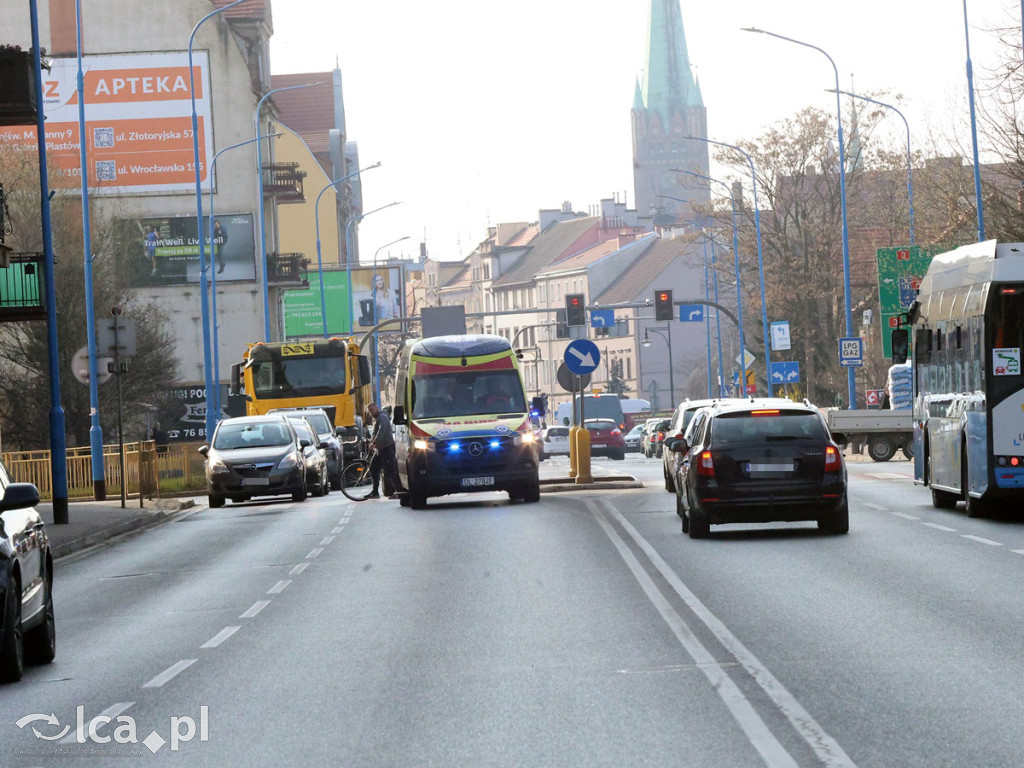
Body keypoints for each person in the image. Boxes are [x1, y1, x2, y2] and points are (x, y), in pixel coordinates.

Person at [367, 402, 401, 499]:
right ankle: (375, 492)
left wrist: (375, 443)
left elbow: (382, 430)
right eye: (370, 411)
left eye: (372, 410)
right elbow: (376, 432)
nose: (371, 412)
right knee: (373, 468)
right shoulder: (379, 418)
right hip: (381, 449)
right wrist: (371, 441)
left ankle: (399, 491)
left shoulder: (382, 417)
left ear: (376, 408)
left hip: (387, 448)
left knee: (390, 471)